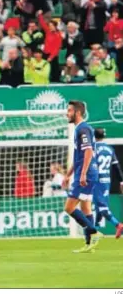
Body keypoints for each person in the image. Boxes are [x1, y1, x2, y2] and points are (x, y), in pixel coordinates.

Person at [62, 100, 103, 253]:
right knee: (85, 208)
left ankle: (94, 232)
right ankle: (89, 244)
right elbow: (78, 157)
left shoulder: (83, 129)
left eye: (69, 111)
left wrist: (83, 173)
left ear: (77, 113)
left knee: (69, 207)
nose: (67, 113)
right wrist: (68, 175)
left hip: (86, 173)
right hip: (85, 171)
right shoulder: (80, 129)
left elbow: (88, 152)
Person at [93, 128, 123, 238]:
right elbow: (116, 167)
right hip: (106, 181)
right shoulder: (110, 149)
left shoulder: (93, 148)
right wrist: (121, 181)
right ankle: (95, 231)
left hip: (97, 180)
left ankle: (117, 224)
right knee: (98, 207)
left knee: (102, 207)